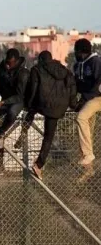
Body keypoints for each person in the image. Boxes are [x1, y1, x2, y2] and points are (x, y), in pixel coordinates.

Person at [24, 51, 77, 179]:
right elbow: (72, 86)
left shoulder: (37, 70)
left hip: (43, 104)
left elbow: (33, 89)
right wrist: (73, 104)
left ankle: (23, 132)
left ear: (41, 60)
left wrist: (29, 104)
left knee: (31, 111)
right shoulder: (64, 70)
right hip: (59, 107)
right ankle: (39, 165)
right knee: (48, 137)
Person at [0, 48, 29, 177]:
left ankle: (2, 132)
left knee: (11, 113)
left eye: (10, 63)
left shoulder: (23, 73)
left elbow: (20, 95)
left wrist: (4, 102)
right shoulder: (3, 67)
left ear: (16, 61)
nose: (8, 65)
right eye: (7, 62)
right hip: (4, 101)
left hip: (18, 100)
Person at [72, 38, 101, 166]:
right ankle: (88, 168)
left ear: (82, 52)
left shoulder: (96, 61)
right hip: (88, 99)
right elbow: (77, 84)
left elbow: (98, 84)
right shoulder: (77, 65)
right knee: (86, 130)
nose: (75, 54)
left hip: (97, 97)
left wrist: (85, 97)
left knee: (81, 117)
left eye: (76, 52)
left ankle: (88, 154)